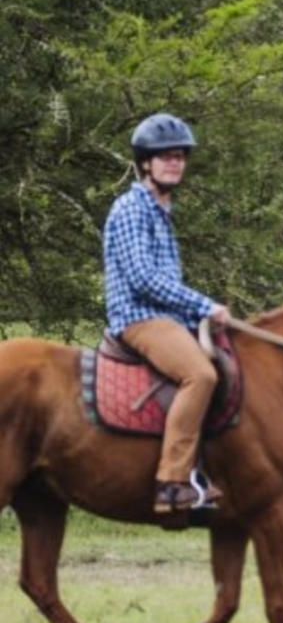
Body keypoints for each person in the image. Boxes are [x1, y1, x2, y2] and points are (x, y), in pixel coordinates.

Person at [103, 113, 232, 514]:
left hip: (166, 317)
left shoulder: (162, 210)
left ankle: (208, 469)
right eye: (164, 157)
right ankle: (172, 483)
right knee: (200, 374)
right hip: (139, 317)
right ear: (145, 163)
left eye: (179, 156)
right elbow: (143, 278)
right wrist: (204, 306)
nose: (173, 163)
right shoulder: (131, 208)